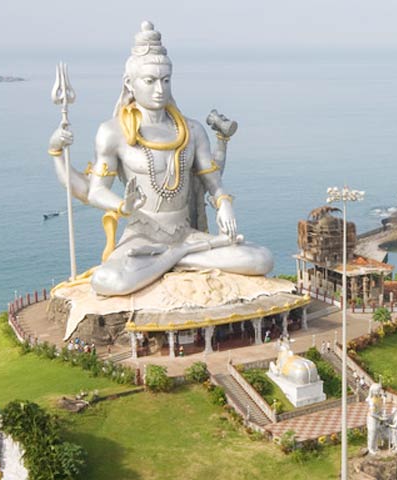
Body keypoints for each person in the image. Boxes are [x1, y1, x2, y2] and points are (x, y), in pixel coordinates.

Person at [47, 21, 273, 296]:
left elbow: (213, 183)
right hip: (142, 235)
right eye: (150, 81)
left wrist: (224, 203)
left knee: (260, 258)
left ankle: (177, 257)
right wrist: (123, 205)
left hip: (186, 233)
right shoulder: (113, 132)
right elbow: (94, 191)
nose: (159, 90)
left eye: (166, 81)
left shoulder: (191, 130)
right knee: (108, 280)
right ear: (130, 82)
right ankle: (181, 257)